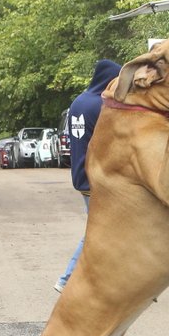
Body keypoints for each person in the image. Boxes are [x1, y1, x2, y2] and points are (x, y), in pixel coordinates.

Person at [54, 59, 121, 292]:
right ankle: (68, 279)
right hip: (96, 177)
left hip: (81, 173)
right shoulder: (100, 106)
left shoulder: (79, 101)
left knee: (105, 231)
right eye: (116, 81)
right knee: (98, 232)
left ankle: (102, 281)